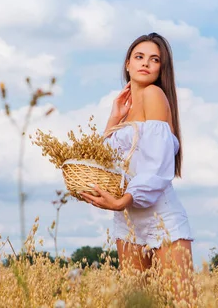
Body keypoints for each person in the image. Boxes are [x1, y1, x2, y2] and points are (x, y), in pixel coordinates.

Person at [80, 33, 195, 301]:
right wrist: (114, 116)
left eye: (154, 60)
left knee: (183, 302)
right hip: (128, 219)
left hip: (160, 218)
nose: (146, 63)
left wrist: (123, 201)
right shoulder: (125, 108)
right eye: (139, 57)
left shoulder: (154, 95)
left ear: (161, 69)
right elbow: (103, 162)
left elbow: (157, 166)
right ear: (127, 64)